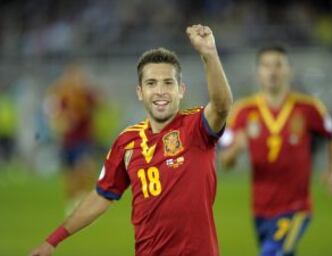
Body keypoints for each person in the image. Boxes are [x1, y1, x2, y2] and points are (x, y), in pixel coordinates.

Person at [30, 24, 233, 256]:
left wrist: (209, 54)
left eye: (168, 83)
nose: (160, 91)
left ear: (181, 90)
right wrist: (52, 241)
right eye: (151, 83)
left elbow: (222, 105)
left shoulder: (196, 126)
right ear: (139, 92)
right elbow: (101, 195)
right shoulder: (126, 142)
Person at [220, 45, 332, 256]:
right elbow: (225, 162)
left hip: (296, 207)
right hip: (260, 208)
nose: (273, 71)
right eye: (266, 65)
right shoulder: (243, 111)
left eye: (278, 65)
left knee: (272, 254)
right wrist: (236, 150)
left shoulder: (308, 108)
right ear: (258, 72)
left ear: (289, 70)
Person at [45, 64, 99, 214]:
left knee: (86, 167)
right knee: (70, 173)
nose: (76, 80)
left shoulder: (87, 94)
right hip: (68, 140)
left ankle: (83, 197)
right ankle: (73, 201)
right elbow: (54, 114)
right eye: (73, 76)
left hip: (84, 138)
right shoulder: (62, 95)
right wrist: (61, 122)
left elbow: (98, 104)